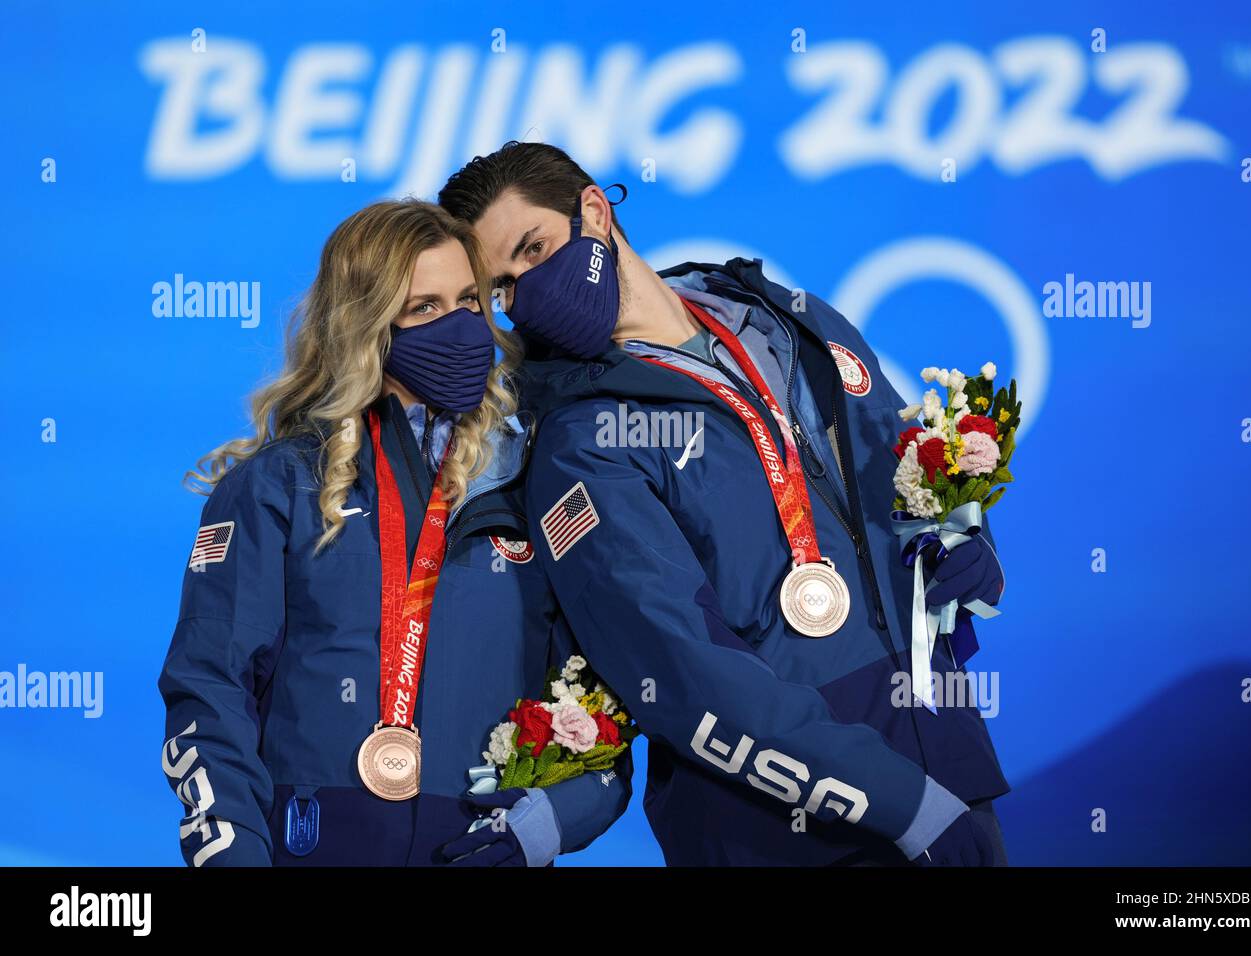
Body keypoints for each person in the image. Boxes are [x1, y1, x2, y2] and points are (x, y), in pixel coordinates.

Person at [439, 142, 1011, 866]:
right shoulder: (580, 443)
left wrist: (966, 531)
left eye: (535, 249)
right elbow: (687, 676)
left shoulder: (781, 321)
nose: (528, 292)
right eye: (504, 287)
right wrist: (905, 809)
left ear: (593, 210)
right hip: (783, 833)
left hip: (948, 767)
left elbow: (901, 476)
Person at [158, 198, 630, 866]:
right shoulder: (279, 485)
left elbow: (604, 695)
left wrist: (543, 825)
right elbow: (210, 690)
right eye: (425, 309)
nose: (461, 328)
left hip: (476, 845)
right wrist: (233, 853)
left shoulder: (536, 482)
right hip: (311, 841)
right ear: (368, 326)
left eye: (470, 302)